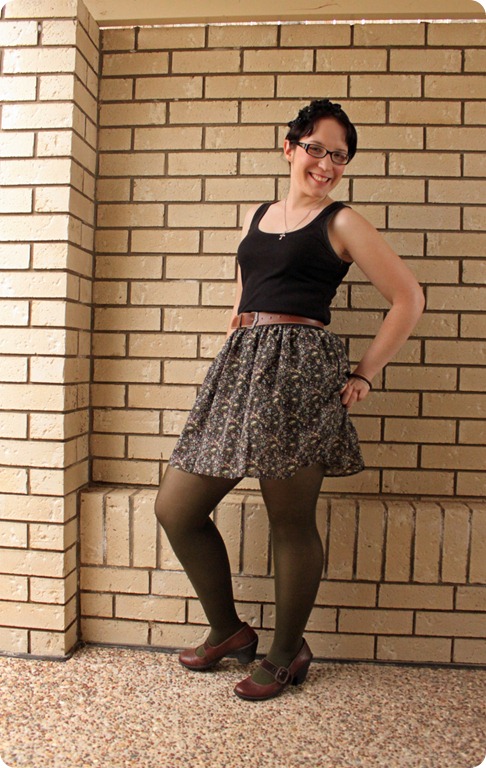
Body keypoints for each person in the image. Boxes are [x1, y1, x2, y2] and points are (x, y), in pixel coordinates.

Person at [155, 99, 425, 702]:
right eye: (316, 149)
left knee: (290, 519)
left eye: (339, 156)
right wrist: (236, 341)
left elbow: (408, 297)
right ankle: (228, 630)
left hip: (301, 375)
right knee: (176, 508)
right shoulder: (258, 216)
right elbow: (244, 291)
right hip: (242, 369)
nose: (326, 164)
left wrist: (366, 372)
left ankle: (285, 653)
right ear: (289, 148)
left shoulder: (342, 222)